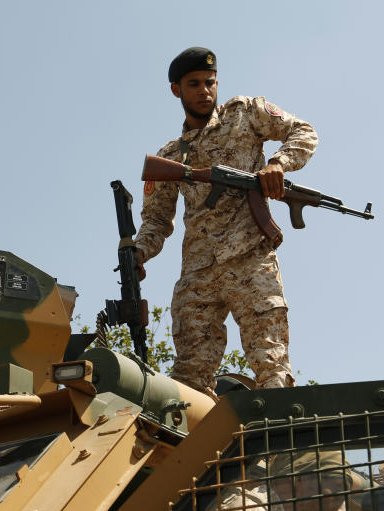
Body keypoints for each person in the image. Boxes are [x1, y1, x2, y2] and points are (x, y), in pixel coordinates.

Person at [134, 47, 318, 397]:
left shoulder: (246, 114)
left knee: (271, 365)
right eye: (194, 84)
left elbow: (304, 132)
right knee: (187, 380)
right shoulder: (170, 157)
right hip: (198, 275)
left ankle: (276, 447)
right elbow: (156, 219)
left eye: (210, 82)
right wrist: (138, 252)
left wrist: (278, 163)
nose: (204, 90)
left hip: (252, 261)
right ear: (176, 90)